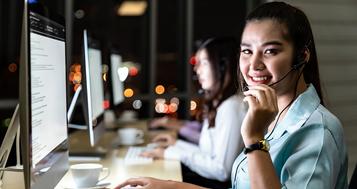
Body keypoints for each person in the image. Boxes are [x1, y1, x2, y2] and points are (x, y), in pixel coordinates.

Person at [115, 2, 348, 189]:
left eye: (270, 51)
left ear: (301, 56)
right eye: (247, 51)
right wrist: (170, 186)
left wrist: (254, 139)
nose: (254, 64)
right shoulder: (272, 116)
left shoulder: (318, 131)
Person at [143, 37, 246, 188]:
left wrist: (172, 153)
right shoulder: (221, 104)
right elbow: (207, 153)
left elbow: (222, 170)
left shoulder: (231, 106)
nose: (197, 69)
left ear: (223, 66)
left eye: (204, 62)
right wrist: (175, 145)